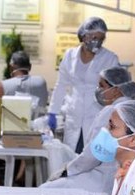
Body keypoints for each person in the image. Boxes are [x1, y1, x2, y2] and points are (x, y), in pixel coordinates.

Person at [42, 67, 135, 194]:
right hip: (115, 178)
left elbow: (92, 155)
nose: (98, 90)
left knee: (44, 191)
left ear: (115, 90)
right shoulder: (132, 108)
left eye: (101, 86)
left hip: (101, 180)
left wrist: (67, 170)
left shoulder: (112, 112)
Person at [48, 17, 119, 154]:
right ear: (84, 35)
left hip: (97, 115)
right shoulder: (70, 55)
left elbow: (115, 90)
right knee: (71, 157)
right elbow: (61, 85)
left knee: (94, 159)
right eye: (94, 37)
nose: (97, 42)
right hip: (74, 115)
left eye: (101, 39)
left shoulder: (109, 58)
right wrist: (53, 111)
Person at [0, 50, 48, 118]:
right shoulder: (41, 82)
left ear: (11, 67)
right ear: (30, 67)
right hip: (39, 127)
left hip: (12, 128)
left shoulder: (2, 86)